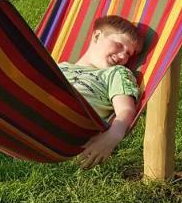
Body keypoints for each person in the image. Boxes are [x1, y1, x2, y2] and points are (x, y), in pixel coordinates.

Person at [56, 15, 143, 170]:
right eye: (118, 45)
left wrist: (113, 135)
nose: (123, 56)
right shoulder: (59, 66)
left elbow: (125, 109)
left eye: (128, 54)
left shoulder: (115, 73)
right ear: (96, 36)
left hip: (68, 124)